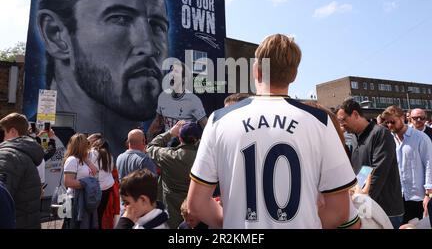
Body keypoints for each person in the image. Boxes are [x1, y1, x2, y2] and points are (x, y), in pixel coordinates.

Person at [188, 34, 356, 228]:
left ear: (256, 71)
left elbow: (196, 205)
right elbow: (339, 211)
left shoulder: (219, 120)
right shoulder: (320, 121)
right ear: (294, 75)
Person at [36, 0, 169, 157]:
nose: (148, 46)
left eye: (157, 25)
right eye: (120, 18)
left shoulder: (151, 152)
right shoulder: (39, 150)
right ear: (56, 34)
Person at [336, 99, 404, 228]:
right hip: (365, 205)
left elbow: (377, 172)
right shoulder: (356, 137)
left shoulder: (380, 134)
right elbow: (362, 171)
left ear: (355, 114)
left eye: (343, 120)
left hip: (385, 210)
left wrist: (359, 203)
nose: (342, 125)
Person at [381, 105, 432, 223]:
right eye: (387, 123)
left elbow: (429, 164)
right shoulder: (389, 139)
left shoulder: (420, 138)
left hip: (418, 196)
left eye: (392, 122)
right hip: (398, 195)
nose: (389, 125)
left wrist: (428, 194)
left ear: (403, 117)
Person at [147, 120, 201, 228]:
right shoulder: (204, 159)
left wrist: (170, 133)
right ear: (198, 139)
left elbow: (150, 147)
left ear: (180, 138)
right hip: (196, 212)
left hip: (171, 211)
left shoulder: (169, 156)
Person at [0, 113, 44, 229]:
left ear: (13, 131)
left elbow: (3, 200)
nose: (3, 138)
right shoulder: (26, 155)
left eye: (4, 133)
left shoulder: (8, 155)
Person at [147, 62, 207, 142]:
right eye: (171, 70)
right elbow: (158, 122)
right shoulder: (163, 96)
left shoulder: (193, 100)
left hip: (185, 149)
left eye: (176, 71)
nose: (172, 73)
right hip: (168, 150)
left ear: (184, 79)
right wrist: (148, 137)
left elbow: (205, 126)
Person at [62, 133, 98, 229]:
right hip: (74, 200)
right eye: (86, 144)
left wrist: (87, 160)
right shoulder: (72, 160)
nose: (88, 147)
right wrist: (88, 184)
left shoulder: (82, 159)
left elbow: (95, 172)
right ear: (81, 146)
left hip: (84, 198)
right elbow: (68, 182)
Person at [87, 133, 116, 229]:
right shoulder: (110, 156)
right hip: (106, 188)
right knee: (99, 214)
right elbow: (111, 170)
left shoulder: (91, 153)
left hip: (92, 189)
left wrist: (88, 139)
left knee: (89, 216)